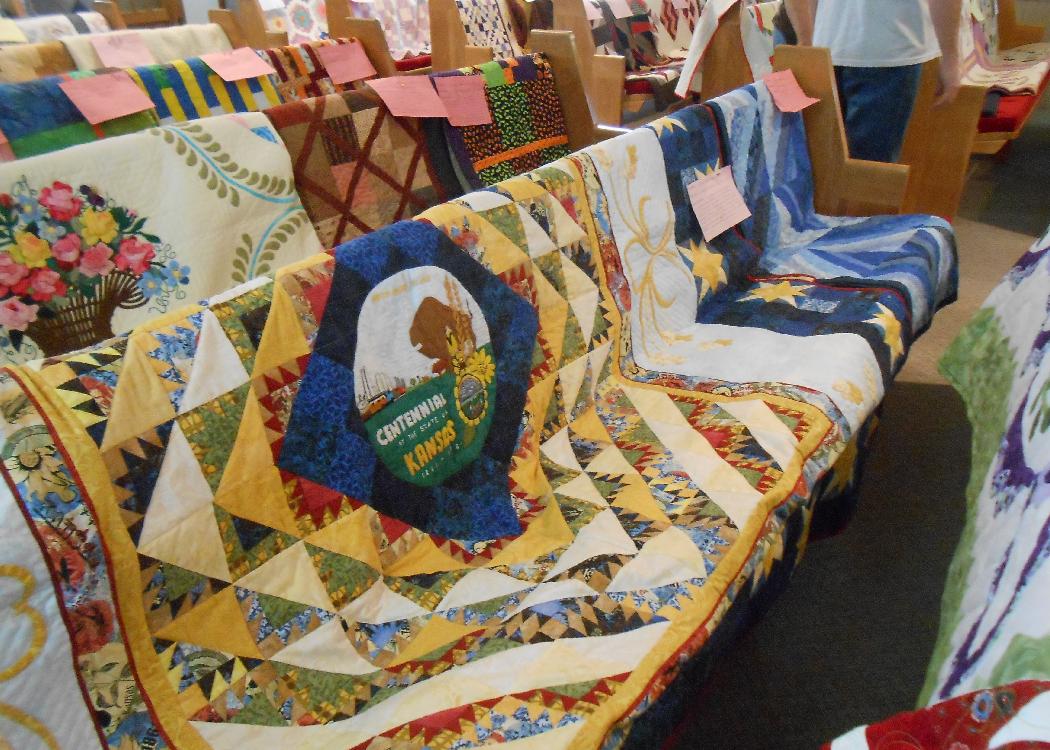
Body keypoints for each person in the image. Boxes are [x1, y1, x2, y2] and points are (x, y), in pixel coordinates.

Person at [783, 0, 963, 163]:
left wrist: (811, 41)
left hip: (831, 44)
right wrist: (950, 59)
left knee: (825, 169)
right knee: (871, 171)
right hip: (890, 51)